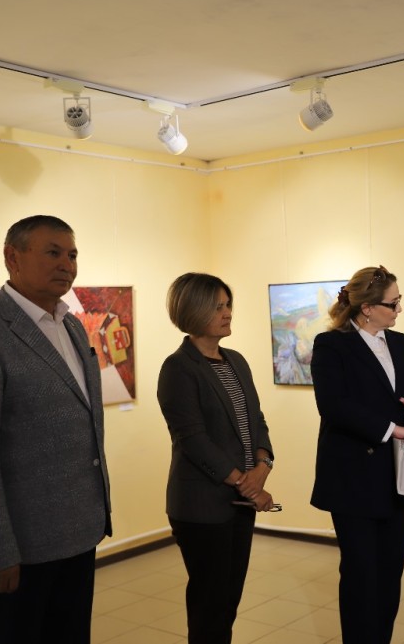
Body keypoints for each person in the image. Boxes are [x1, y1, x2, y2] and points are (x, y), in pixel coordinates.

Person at [0, 215, 111, 644]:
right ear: (12, 257)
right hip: (20, 547)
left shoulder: (71, 326)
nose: (67, 265)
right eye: (53, 252)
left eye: (72, 254)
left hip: (79, 533)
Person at [309, 265, 404, 644]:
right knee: (360, 574)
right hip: (353, 478)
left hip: (398, 476)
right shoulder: (331, 345)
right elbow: (333, 406)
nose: (399, 309)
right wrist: (389, 429)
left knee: (389, 573)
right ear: (367, 308)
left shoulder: (400, 343)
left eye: (399, 301)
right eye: (393, 303)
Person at [157, 273, 276, 644]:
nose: (227, 313)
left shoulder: (235, 361)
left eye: (227, 305)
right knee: (210, 605)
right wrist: (247, 483)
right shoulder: (178, 368)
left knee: (228, 601)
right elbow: (193, 439)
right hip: (202, 506)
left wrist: (263, 466)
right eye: (217, 307)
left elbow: (256, 420)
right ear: (192, 310)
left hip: (240, 501)